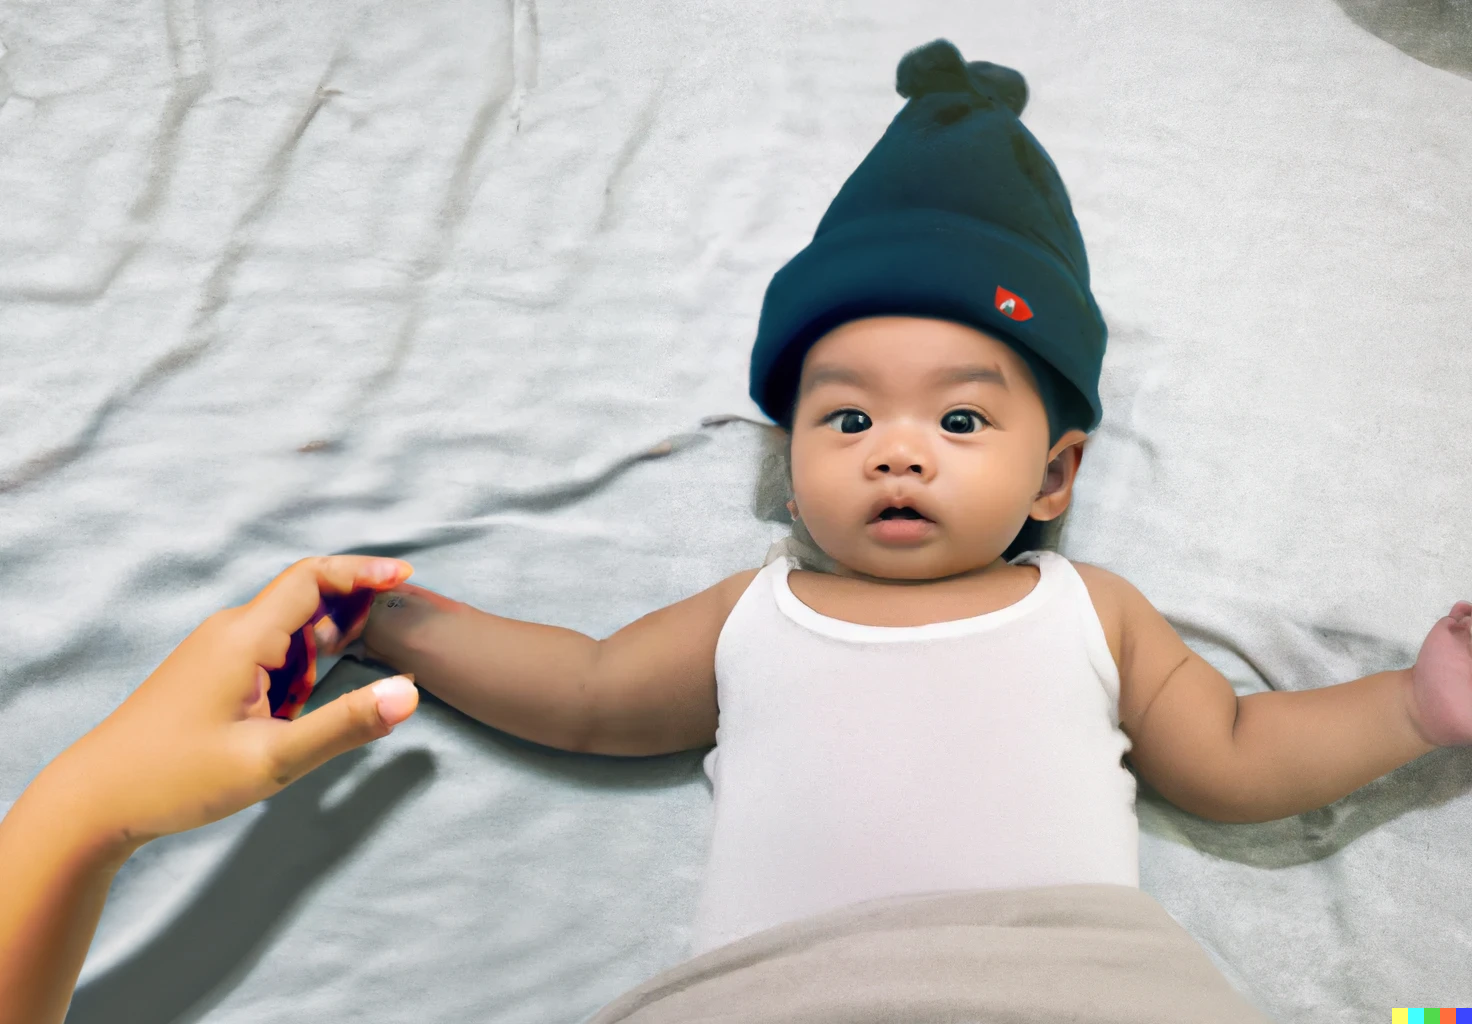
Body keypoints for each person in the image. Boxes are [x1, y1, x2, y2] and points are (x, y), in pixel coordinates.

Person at [2, 37, 1469, 1024]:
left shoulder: (1094, 612)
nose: (898, 446)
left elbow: (1235, 762)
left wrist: (1413, 704)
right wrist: (399, 621)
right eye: (846, 420)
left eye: (961, 421)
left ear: (1055, 476)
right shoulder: (758, 612)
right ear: (789, 458)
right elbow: (582, 693)